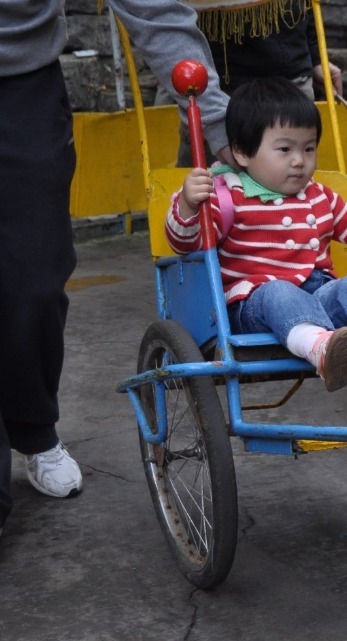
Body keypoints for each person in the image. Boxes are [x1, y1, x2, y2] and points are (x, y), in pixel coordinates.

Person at [0, 0, 232, 536]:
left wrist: (218, 122)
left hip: (22, 85)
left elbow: (152, 7)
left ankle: (33, 426)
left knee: (34, 282)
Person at [165, 77, 347, 392]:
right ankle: (322, 350)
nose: (299, 161)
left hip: (319, 297)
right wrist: (187, 204)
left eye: (308, 148)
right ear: (241, 152)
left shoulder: (318, 195)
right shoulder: (227, 196)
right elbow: (186, 242)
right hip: (256, 306)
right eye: (284, 149)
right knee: (279, 293)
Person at [156, 0, 342, 167]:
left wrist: (317, 58)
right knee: (203, 185)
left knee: (295, 177)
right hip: (212, 84)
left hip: (288, 74)